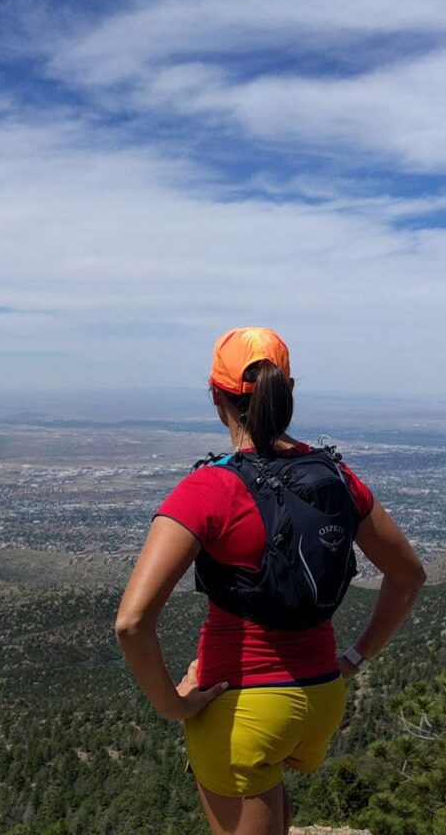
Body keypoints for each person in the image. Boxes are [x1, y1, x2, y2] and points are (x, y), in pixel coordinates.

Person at [115, 327, 427, 835]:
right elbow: (408, 575)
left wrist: (173, 705)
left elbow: (132, 623)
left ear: (216, 395)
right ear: (289, 390)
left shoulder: (208, 488)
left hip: (241, 709)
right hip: (322, 700)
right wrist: (354, 658)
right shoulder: (336, 477)